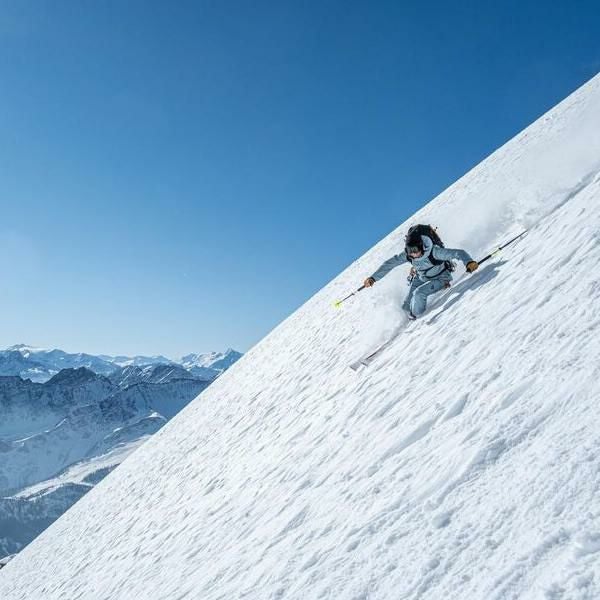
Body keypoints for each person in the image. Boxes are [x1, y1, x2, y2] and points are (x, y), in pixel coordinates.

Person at [363, 226, 479, 320]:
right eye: (409, 250)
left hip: (440, 277)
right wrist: (373, 278)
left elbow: (458, 253)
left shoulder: (434, 252)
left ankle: (418, 320)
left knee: (419, 293)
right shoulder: (408, 255)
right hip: (421, 277)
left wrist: (469, 262)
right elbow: (390, 264)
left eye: (415, 250)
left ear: (422, 247)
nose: (412, 254)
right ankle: (407, 321)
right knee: (406, 306)